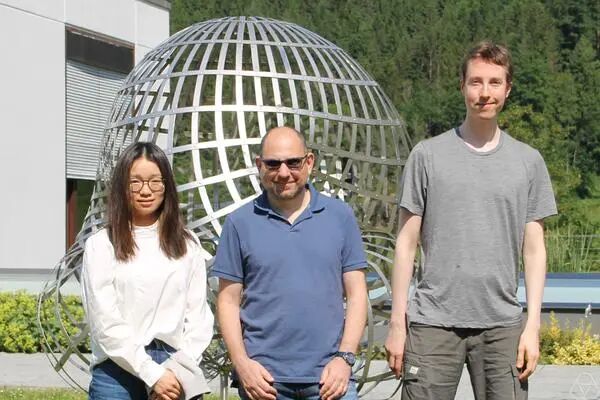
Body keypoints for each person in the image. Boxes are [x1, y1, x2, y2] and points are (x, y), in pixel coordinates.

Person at [385, 41, 557, 400]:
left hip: (503, 326)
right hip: (432, 323)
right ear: (462, 85)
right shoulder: (427, 155)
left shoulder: (528, 162)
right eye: (476, 82)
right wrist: (397, 323)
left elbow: (534, 251)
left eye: (495, 83)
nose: (485, 93)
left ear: (508, 89)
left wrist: (532, 326)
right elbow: (405, 244)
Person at [212, 126, 368, 400]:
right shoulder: (239, 223)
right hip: (264, 382)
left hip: (330, 380)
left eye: (293, 162)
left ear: (309, 162)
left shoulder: (340, 216)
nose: (283, 173)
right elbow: (227, 301)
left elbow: (357, 294)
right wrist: (242, 363)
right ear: (259, 165)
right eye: (273, 164)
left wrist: (345, 358)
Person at [81, 142, 214, 400]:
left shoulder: (188, 244)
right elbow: (104, 322)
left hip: (176, 367)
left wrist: (175, 372)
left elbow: (198, 317)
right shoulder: (101, 244)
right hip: (117, 371)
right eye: (135, 182)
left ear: (167, 185)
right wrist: (153, 374)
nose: (145, 190)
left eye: (155, 181)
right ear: (122, 186)